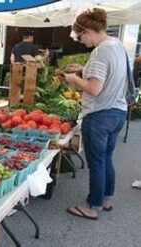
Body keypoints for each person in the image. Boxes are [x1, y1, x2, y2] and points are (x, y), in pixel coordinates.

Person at [65, 8, 128, 220]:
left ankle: (93, 206)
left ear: (89, 30)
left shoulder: (100, 51)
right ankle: (107, 199)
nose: (81, 41)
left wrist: (74, 79)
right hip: (118, 112)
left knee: (96, 163)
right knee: (106, 158)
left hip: (99, 115)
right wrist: (85, 69)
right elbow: (109, 74)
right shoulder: (117, 45)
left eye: (81, 36)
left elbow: (94, 89)